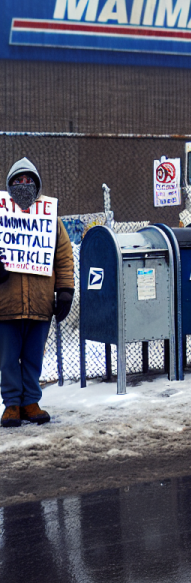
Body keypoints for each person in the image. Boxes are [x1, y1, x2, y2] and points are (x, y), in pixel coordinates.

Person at [0, 158, 74, 427]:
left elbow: (64, 256)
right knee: (7, 359)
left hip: (41, 304)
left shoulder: (50, 218)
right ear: (9, 185)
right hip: (5, 305)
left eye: (27, 180)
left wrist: (65, 290)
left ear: (37, 184)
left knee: (33, 357)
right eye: (17, 181)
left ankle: (31, 401)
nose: (23, 185)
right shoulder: (0, 216)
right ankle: (11, 405)